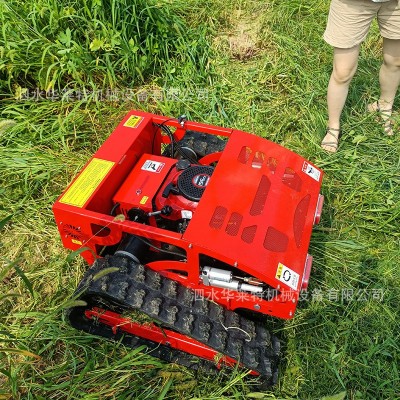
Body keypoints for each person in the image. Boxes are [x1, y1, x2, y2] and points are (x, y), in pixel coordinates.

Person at [321, 0, 400, 152]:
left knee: (396, 61)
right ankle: (333, 127)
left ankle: (384, 106)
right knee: (343, 72)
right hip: (352, 3)